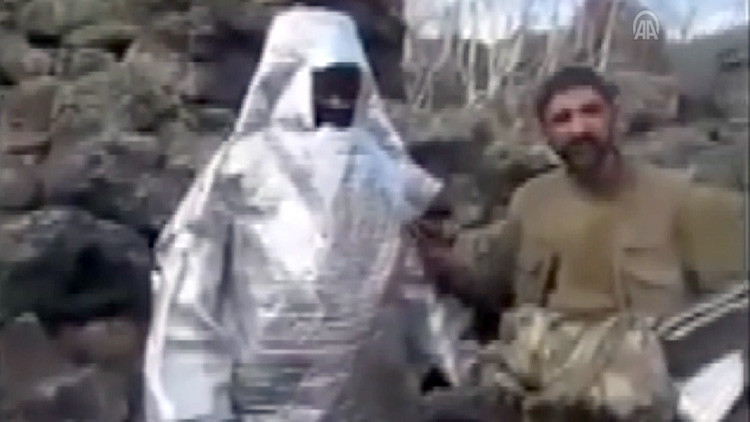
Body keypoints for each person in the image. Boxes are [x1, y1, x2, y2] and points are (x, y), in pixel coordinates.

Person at [143, 6, 450, 421]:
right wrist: (193, 408)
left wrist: (445, 358)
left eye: (349, 84)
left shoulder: (386, 174)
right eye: (326, 83)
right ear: (292, 79)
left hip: (376, 401)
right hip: (266, 402)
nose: (338, 98)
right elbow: (190, 296)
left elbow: (413, 285)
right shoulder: (242, 167)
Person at [416, 65, 745, 321]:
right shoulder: (530, 202)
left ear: (614, 116)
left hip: (653, 378)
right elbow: (493, 292)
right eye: (562, 119)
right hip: (546, 372)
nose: (579, 129)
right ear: (546, 133)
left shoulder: (684, 200)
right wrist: (439, 262)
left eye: (591, 111)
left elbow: (730, 321)